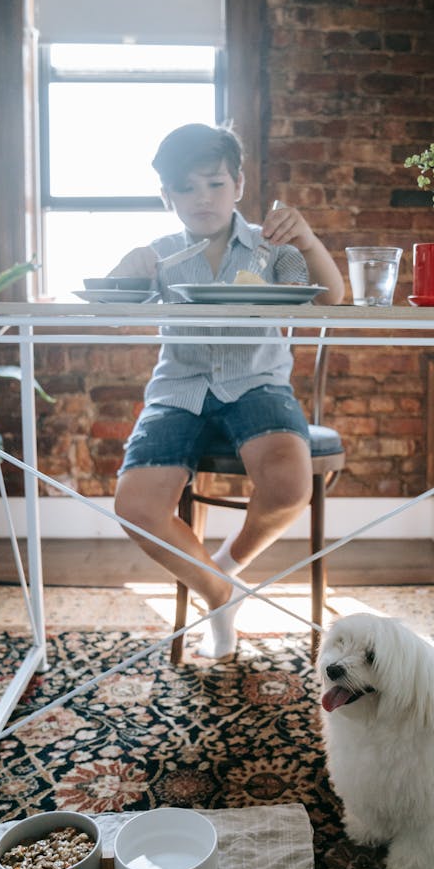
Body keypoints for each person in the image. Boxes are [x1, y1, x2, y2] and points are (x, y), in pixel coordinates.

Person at [111, 123, 345, 659]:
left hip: (257, 382)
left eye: (214, 184)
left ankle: (226, 566)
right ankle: (219, 596)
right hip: (179, 390)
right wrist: (124, 274)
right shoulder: (160, 254)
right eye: (186, 188)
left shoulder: (271, 245)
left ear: (238, 183)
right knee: (135, 505)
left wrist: (307, 238)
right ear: (166, 195)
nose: (202, 199)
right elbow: (115, 317)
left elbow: (331, 298)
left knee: (288, 486)